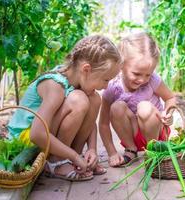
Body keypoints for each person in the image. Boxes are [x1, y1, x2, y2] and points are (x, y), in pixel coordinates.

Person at [7, 35, 122, 181]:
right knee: (79, 100)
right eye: (106, 79)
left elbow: (90, 121)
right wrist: (73, 155)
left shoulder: (78, 82)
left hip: (48, 140)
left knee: (93, 99)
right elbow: (36, 134)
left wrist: (92, 149)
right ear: (86, 69)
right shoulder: (54, 85)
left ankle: (74, 160)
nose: (106, 86)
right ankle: (57, 161)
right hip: (27, 143)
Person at [99, 32, 177, 167]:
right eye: (136, 74)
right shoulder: (112, 87)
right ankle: (131, 150)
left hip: (156, 133)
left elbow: (170, 97)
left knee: (145, 107)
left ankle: (154, 150)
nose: (142, 79)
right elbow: (103, 124)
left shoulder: (153, 81)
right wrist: (112, 152)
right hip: (132, 134)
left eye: (148, 74)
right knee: (116, 107)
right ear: (121, 65)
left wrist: (168, 113)